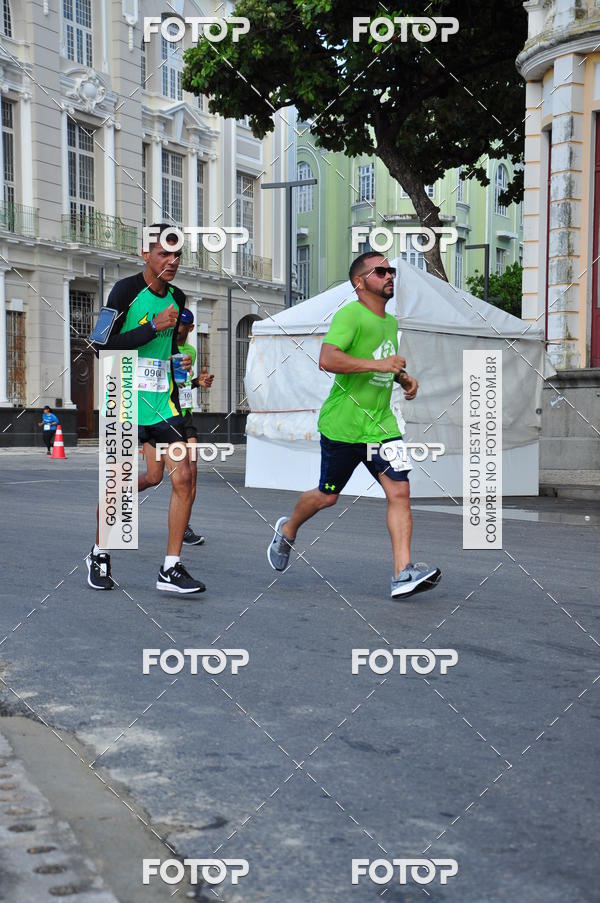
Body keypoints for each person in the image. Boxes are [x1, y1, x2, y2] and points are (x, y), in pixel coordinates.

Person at [267, 252, 441, 599]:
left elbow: (382, 363)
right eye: (381, 271)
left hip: (381, 426)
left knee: (400, 492)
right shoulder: (351, 315)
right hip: (344, 426)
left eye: (391, 270)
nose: (390, 275)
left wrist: (403, 378)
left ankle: (402, 574)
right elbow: (328, 359)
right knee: (327, 496)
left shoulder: (390, 322)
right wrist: (381, 364)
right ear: (360, 282)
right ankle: (287, 529)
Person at [86, 224, 206, 595]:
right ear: (145, 254)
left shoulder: (179, 297)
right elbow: (99, 345)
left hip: (161, 402)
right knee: (125, 484)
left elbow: (168, 351)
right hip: (122, 400)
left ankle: (171, 567)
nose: (172, 261)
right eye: (163, 254)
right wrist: (152, 326)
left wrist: (178, 365)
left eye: (177, 255)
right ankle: (100, 552)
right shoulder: (125, 291)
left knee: (182, 476)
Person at [175, 308, 215, 545]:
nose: (176, 327)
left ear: (190, 329)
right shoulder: (163, 347)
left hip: (185, 413)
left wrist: (198, 383)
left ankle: (184, 526)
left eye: (181, 324)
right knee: (153, 476)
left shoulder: (190, 350)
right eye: (176, 322)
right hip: (164, 414)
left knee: (192, 471)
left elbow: (182, 386)